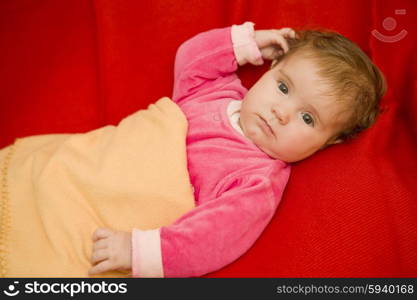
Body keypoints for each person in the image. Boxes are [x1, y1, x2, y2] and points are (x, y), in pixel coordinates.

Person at [88, 22, 386, 277]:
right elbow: (190, 57)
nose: (281, 112)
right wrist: (247, 44)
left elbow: (210, 238)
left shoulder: (257, 181)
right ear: (271, 68)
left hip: (115, 214)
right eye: (283, 87)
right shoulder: (214, 90)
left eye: (307, 118)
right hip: (97, 158)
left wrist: (138, 251)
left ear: (327, 142)